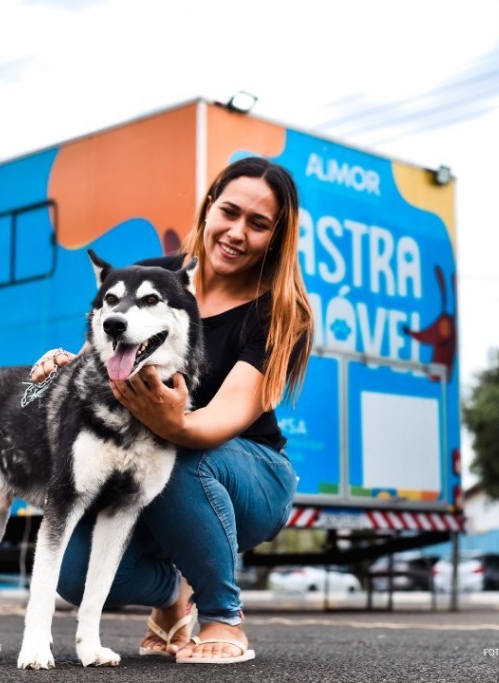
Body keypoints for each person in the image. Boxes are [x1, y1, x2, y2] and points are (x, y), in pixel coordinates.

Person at [30, 156, 313, 664]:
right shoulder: (153, 276)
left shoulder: (280, 312)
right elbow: (103, 355)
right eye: (229, 212)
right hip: (152, 464)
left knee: (174, 449)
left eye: (258, 224)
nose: (236, 232)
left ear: (275, 237)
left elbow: (217, 421)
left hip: (247, 475)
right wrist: (67, 364)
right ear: (208, 207)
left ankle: (223, 618)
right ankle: (173, 595)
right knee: (75, 575)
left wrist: (171, 420)